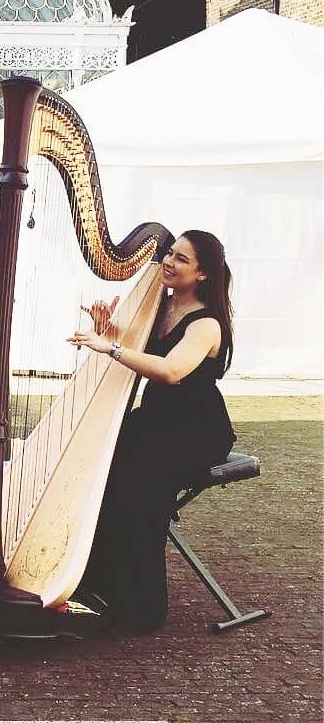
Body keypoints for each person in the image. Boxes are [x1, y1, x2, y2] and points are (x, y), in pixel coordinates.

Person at [67, 230, 237, 633]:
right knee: (97, 480)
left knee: (138, 498)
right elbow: (136, 354)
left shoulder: (206, 324)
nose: (169, 262)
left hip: (195, 430)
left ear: (203, 274)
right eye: (170, 254)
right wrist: (108, 330)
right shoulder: (156, 307)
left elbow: (172, 371)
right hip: (155, 421)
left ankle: (142, 609)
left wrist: (108, 348)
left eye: (181, 259)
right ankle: (92, 584)